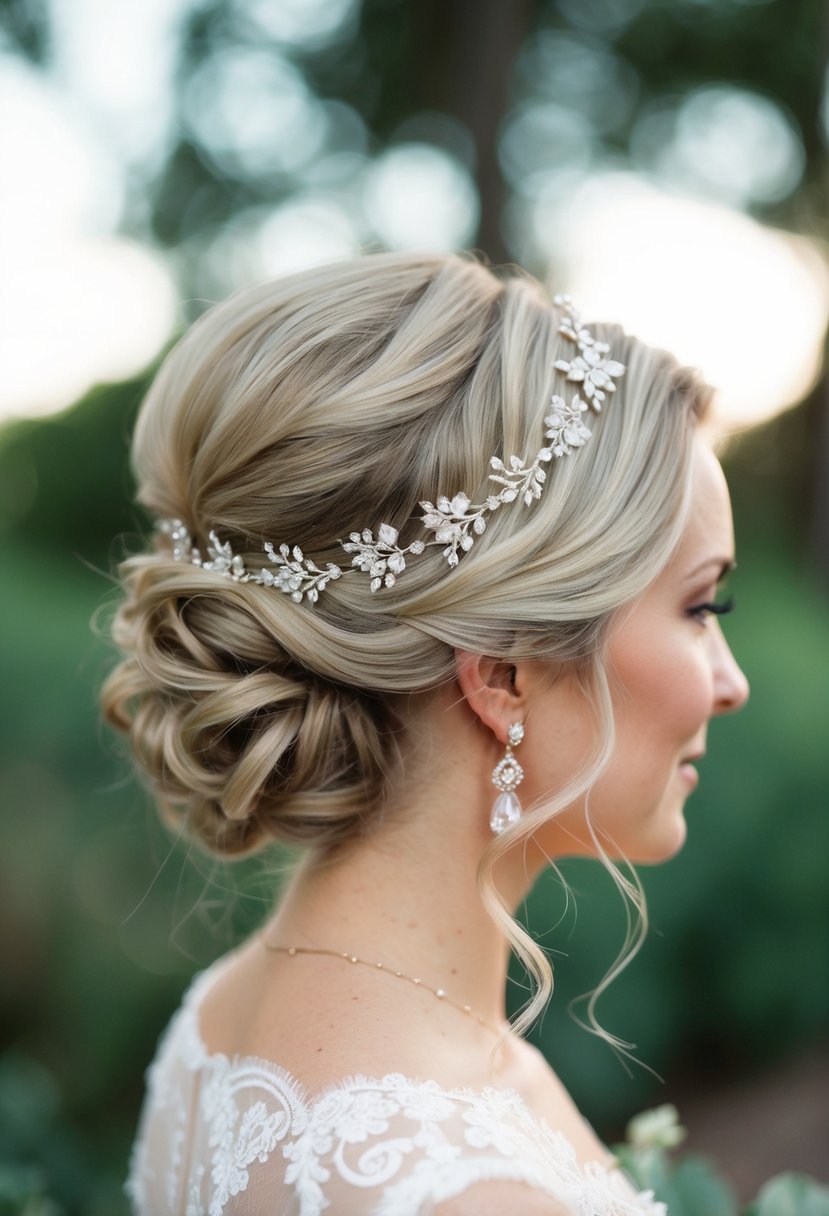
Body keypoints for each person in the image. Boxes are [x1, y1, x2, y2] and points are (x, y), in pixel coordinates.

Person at [102, 251, 749, 1215]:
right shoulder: (471, 1187)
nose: (729, 685)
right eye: (702, 607)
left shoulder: (214, 1029)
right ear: (503, 672)